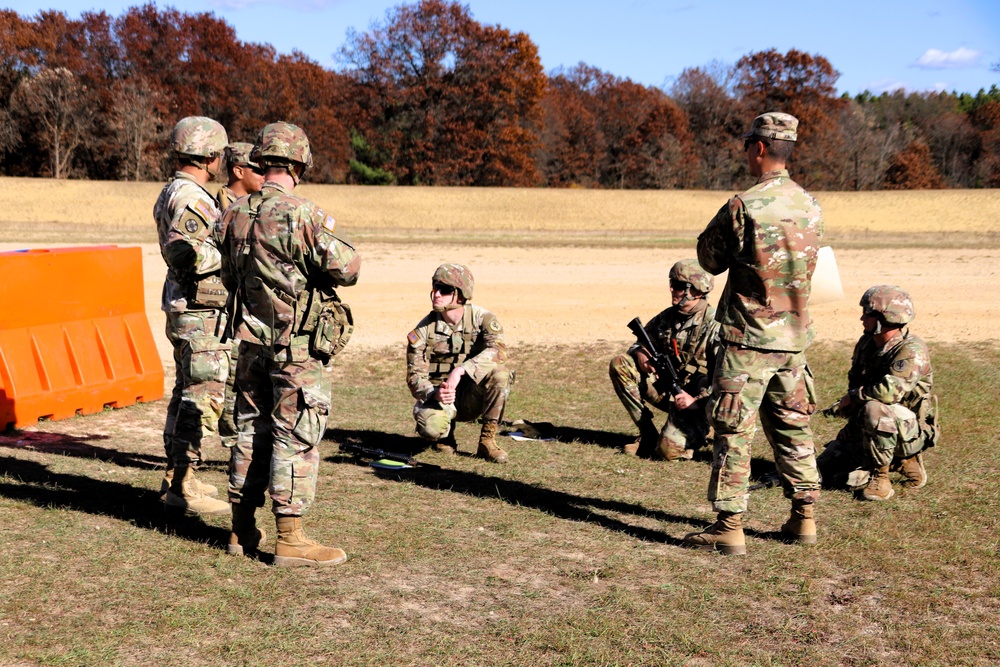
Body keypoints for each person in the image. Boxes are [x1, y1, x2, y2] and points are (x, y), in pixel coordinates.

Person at [219, 121, 360, 567]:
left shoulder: (233, 212)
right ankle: (291, 538)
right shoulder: (303, 214)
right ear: (300, 163)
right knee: (296, 435)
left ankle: (242, 530)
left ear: (261, 161)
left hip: (250, 343)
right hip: (296, 350)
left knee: (249, 431)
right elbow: (348, 269)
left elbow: (227, 276)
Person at [683, 112, 823, 555]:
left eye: (747, 145)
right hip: (794, 341)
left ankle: (729, 526)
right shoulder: (811, 205)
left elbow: (709, 260)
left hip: (748, 340)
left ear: (759, 148)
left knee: (733, 431)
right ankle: (804, 518)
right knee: (792, 427)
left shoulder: (745, 204)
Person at [153, 116, 232, 517]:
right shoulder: (193, 197)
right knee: (202, 397)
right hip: (199, 311)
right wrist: (231, 256)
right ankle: (183, 485)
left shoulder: (175, 190)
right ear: (210, 156)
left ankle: (178, 475)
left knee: (186, 391)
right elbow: (183, 250)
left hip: (186, 308)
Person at [817, 286, 938, 500]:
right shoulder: (866, 344)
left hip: (908, 430)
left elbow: (889, 393)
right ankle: (897, 461)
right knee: (822, 472)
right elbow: (856, 383)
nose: (862, 318)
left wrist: (853, 398)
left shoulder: (911, 350)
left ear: (887, 318)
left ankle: (882, 475)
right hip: (872, 424)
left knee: (876, 408)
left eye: (868, 313)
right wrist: (851, 423)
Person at [609, 259, 720, 461]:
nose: (671, 289)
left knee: (667, 452)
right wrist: (642, 357)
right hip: (669, 390)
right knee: (620, 363)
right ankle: (647, 433)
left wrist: (696, 402)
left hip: (700, 401)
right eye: (671, 283)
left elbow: (726, 377)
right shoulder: (667, 318)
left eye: (678, 286)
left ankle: (704, 428)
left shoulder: (716, 325)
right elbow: (638, 344)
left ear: (697, 291)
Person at [406, 263, 512, 463]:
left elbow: (499, 351)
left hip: (473, 395)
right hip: (441, 398)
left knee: (500, 373)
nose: (437, 294)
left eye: (445, 290)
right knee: (431, 427)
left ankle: (487, 442)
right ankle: (445, 437)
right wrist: (433, 393)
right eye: (435, 288)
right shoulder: (422, 331)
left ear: (461, 295)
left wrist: (461, 370)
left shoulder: (483, 320)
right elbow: (414, 376)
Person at [214, 143, 265, 450]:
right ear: (238, 171)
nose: (264, 175)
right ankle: (235, 446)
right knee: (230, 380)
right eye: (258, 169)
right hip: (227, 309)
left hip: (245, 307)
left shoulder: (252, 204)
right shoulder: (224, 206)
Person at [216, 142, 264, 211]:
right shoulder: (220, 208)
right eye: (259, 171)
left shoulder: (257, 204)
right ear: (239, 172)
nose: (265, 176)